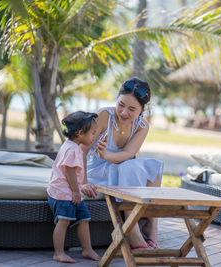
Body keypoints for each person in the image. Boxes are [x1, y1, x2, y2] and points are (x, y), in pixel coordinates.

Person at [81, 77, 163, 250]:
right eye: (121, 104)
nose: (124, 112)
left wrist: (106, 154)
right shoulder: (104, 116)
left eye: (132, 109)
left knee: (152, 166)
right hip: (99, 172)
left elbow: (127, 154)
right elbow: (83, 150)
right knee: (131, 166)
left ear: (142, 110)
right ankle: (132, 230)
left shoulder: (142, 126)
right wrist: (82, 182)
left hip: (123, 171)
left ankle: (152, 226)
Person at [47, 111, 101, 263]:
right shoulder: (71, 149)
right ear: (79, 133)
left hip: (72, 192)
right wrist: (76, 192)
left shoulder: (73, 146)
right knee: (63, 221)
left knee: (84, 219)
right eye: (92, 133)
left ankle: (87, 249)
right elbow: (69, 171)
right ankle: (58, 252)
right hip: (63, 194)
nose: (93, 136)